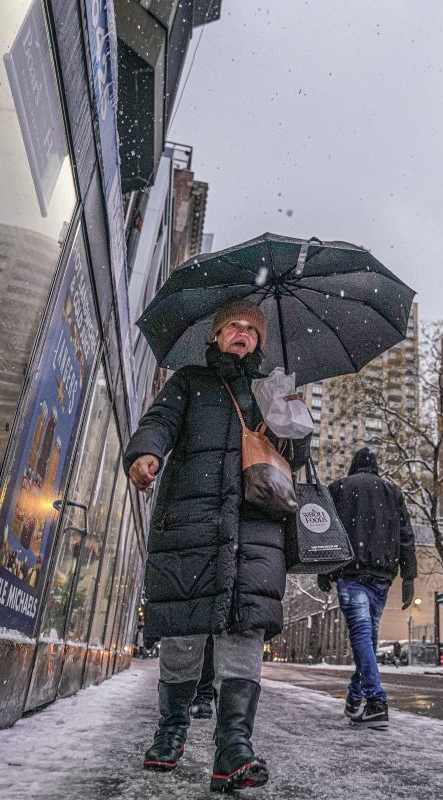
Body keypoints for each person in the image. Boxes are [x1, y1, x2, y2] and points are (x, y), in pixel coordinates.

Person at [124, 299, 310, 793]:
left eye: (252, 329)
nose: (243, 333)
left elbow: (299, 456)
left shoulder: (271, 389)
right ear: (216, 336)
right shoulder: (188, 381)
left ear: (261, 341)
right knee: (184, 636)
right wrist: (146, 454)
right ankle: (171, 731)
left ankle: (234, 748)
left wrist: (289, 411)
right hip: (192, 521)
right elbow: (159, 422)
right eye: (233, 326)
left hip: (255, 529)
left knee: (244, 633)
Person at [317, 448, 417, 731]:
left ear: (353, 466)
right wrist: (409, 576)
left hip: (352, 573)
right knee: (368, 639)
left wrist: (324, 569)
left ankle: (375, 702)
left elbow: (327, 530)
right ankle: (355, 697)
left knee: (362, 637)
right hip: (382, 577)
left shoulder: (339, 488)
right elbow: (406, 535)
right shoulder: (392, 491)